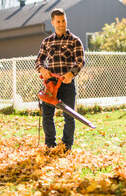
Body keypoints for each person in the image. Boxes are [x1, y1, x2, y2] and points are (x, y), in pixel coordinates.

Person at [35, 8, 85, 151]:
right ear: (52, 23)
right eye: (58, 21)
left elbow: (80, 61)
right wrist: (43, 70)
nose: (62, 24)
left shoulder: (74, 40)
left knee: (69, 116)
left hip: (67, 84)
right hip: (51, 85)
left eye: (63, 20)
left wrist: (71, 74)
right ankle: (50, 144)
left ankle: (66, 145)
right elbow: (38, 61)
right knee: (47, 116)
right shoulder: (47, 41)